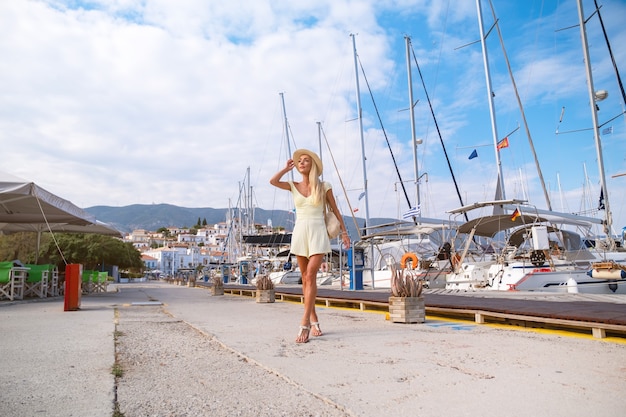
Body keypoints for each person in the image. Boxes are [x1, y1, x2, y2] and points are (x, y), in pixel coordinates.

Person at [270, 149, 351, 343]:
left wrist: (345, 232)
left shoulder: (324, 186)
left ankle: (304, 322)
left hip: (318, 232)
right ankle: (314, 319)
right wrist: (284, 169)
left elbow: (335, 209)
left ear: (312, 165)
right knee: (305, 280)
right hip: (300, 232)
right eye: (299, 161)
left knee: (310, 275)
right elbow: (272, 182)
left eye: (306, 160)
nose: (301, 163)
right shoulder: (293, 185)